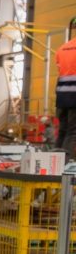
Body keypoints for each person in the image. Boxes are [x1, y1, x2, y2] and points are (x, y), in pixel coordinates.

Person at [54, 17, 76, 159]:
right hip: (75, 96)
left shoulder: (62, 48)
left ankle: (54, 162)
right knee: (74, 132)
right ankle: (67, 168)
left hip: (62, 95)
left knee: (63, 130)